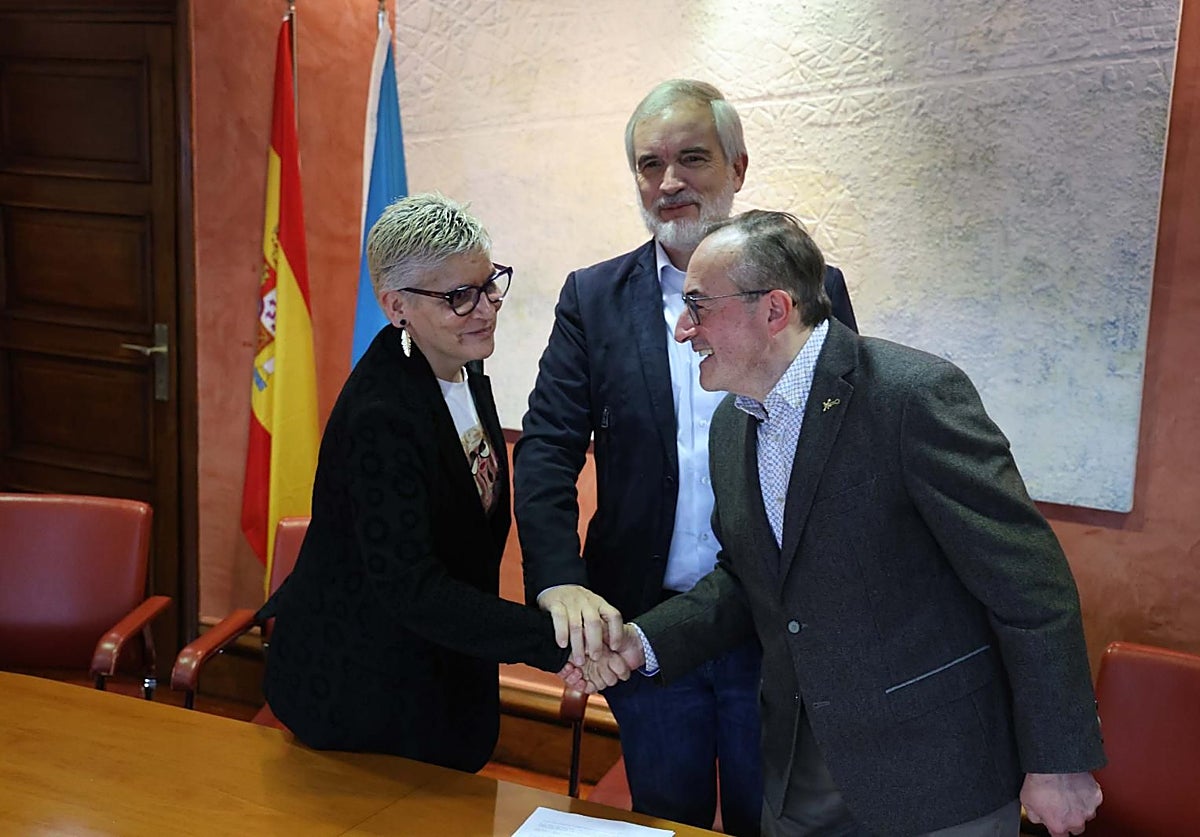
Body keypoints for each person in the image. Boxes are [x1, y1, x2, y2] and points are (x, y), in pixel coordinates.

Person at [572, 209, 1106, 837]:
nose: (683, 328)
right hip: (797, 775)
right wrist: (644, 641)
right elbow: (749, 579)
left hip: (937, 777)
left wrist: (1059, 760)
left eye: (698, 305)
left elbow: (1030, 587)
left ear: (774, 309)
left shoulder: (911, 396)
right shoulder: (731, 426)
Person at [514, 79, 858, 834]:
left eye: (692, 158)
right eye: (650, 164)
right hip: (645, 625)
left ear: (737, 167)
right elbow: (547, 450)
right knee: (663, 819)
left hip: (773, 630)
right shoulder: (594, 298)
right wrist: (559, 579)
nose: (669, 181)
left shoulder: (809, 288)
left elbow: (839, 456)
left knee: (773, 821)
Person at [260, 194, 599, 773]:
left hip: (442, 675)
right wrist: (552, 641)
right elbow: (411, 588)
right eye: (459, 296)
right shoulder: (382, 415)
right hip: (364, 696)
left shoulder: (461, 366)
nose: (485, 309)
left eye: (489, 285)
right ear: (398, 307)